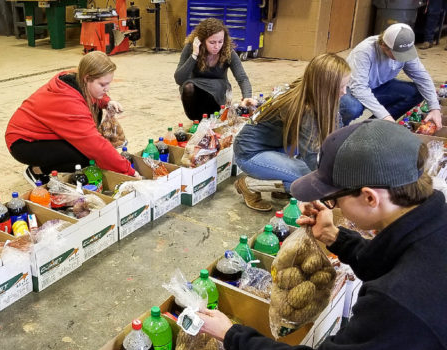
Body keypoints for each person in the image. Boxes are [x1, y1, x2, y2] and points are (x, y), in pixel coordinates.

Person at [198, 119, 447, 350]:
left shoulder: (401, 300)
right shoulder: (432, 228)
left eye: (334, 199)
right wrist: (334, 237)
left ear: (369, 197)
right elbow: (398, 261)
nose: (334, 206)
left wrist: (232, 335)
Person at [232, 53, 351, 212]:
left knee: (314, 171)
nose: (344, 92)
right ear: (324, 86)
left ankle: (278, 182)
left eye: (346, 85)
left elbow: (336, 133)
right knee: (308, 181)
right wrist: (341, 188)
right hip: (250, 153)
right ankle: (249, 185)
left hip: (276, 144)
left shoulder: (308, 88)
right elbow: (312, 158)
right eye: (340, 87)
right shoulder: (305, 110)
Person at [5, 51, 138, 185]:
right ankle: (37, 170)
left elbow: (92, 95)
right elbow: (96, 146)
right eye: (103, 85)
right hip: (23, 142)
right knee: (86, 157)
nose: (107, 89)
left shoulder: (77, 78)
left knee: (94, 117)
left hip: (42, 132)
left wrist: (106, 102)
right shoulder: (70, 104)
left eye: (109, 83)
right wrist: (130, 172)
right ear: (87, 78)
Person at [339, 23, 443, 128]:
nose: (401, 58)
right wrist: (384, 115)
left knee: (416, 92)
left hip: (380, 85)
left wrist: (435, 108)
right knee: (351, 108)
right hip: (351, 88)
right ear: (384, 45)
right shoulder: (365, 51)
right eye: (397, 54)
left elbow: (422, 77)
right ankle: (337, 130)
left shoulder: (406, 49)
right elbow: (359, 88)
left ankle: (370, 128)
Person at [174, 18, 256, 121]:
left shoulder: (227, 51)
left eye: (220, 41)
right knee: (188, 87)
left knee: (216, 91)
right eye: (212, 42)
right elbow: (179, 79)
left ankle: (214, 118)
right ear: (202, 41)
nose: (217, 46)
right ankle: (197, 120)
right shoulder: (191, 48)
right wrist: (194, 55)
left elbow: (242, 78)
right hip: (197, 88)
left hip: (219, 89)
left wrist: (247, 96)